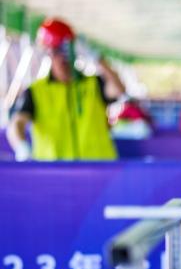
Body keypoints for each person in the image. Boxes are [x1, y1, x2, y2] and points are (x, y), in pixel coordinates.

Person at [6, 17, 124, 161]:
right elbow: (17, 124)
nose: (63, 57)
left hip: (99, 168)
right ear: (48, 53)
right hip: (54, 171)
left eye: (67, 51)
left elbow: (119, 90)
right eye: (56, 51)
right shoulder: (35, 91)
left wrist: (98, 58)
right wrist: (21, 147)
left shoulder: (94, 83)